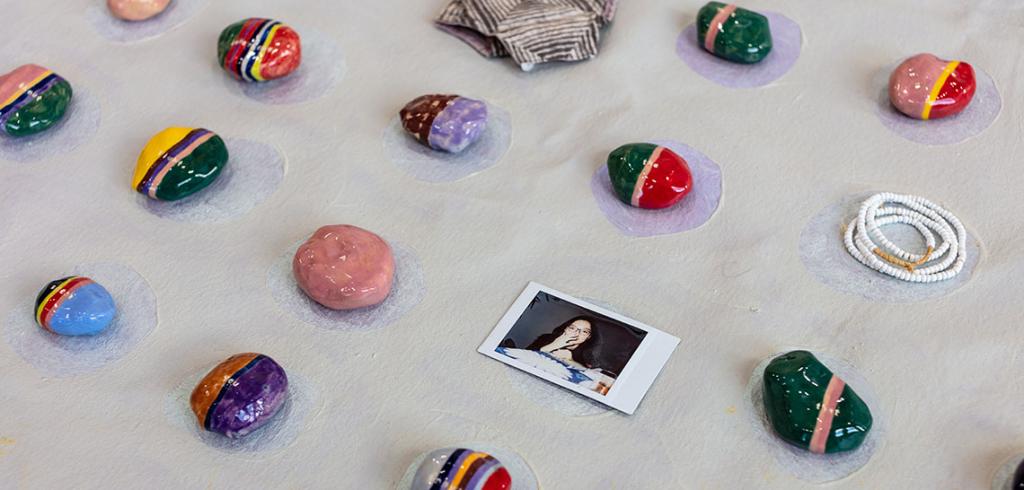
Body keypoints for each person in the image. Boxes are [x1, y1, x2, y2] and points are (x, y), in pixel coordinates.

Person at [526, 316, 602, 370]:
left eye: (584, 331)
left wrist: (570, 360)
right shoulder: (545, 338)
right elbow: (523, 357)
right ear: (565, 328)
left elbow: (588, 375)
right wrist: (552, 346)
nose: (576, 333)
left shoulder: (588, 355)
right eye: (572, 328)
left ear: (589, 337)